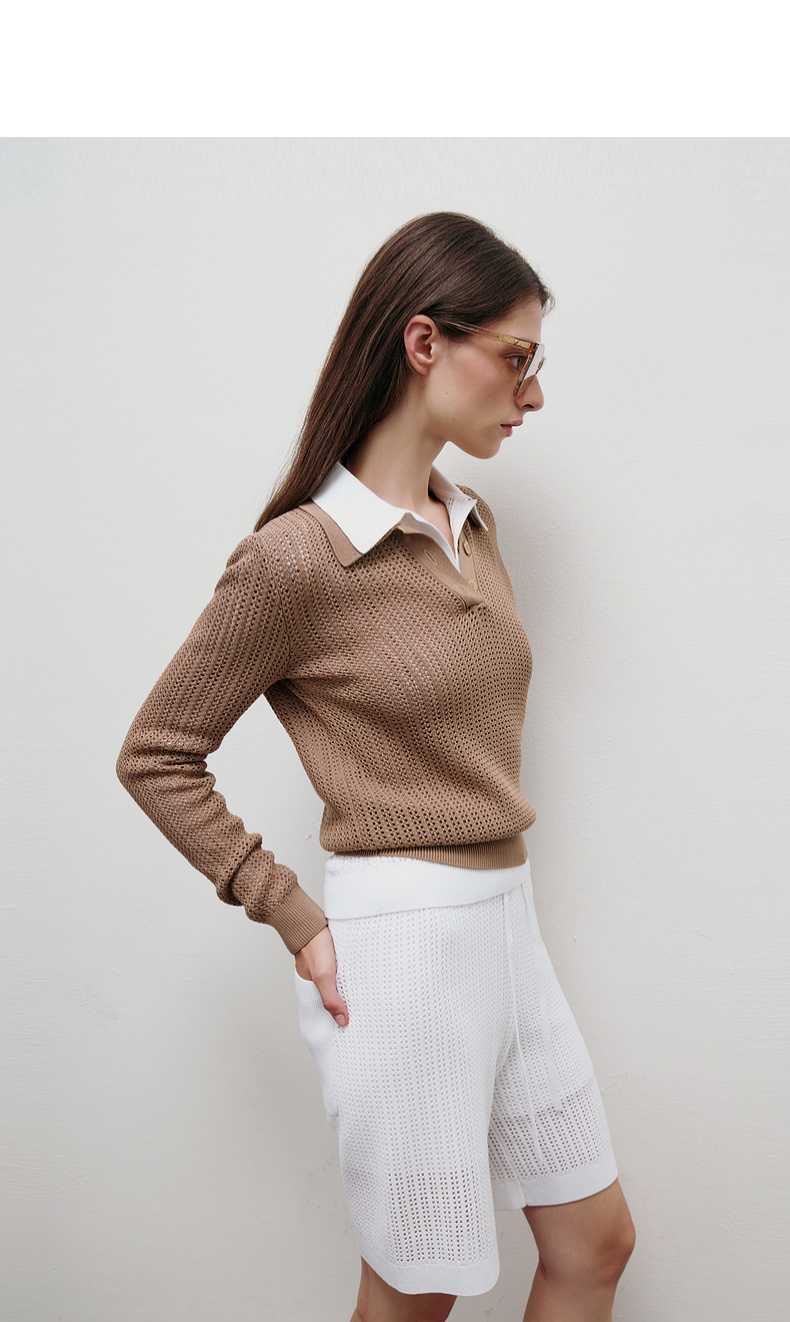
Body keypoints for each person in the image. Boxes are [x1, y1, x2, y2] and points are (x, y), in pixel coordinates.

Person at [116, 211, 635, 1322]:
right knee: (419, 1291)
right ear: (423, 342)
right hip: (403, 953)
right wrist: (293, 915)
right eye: (517, 357)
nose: (534, 393)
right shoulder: (296, 558)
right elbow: (157, 753)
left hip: (510, 926)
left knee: (594, 1244)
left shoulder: (471, 522)